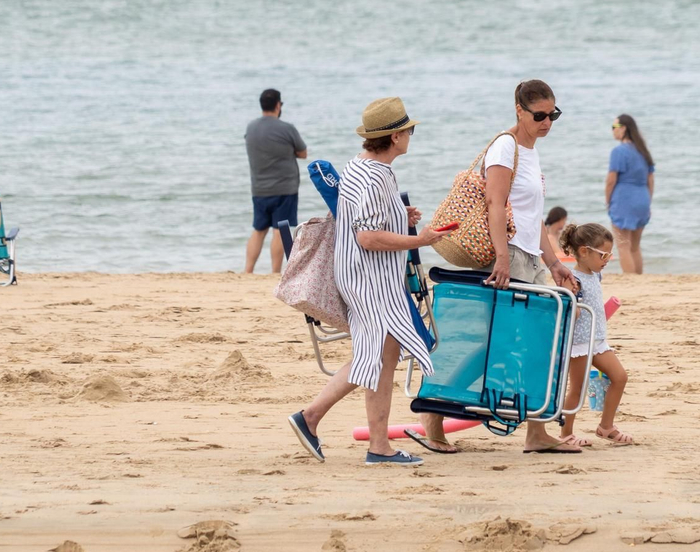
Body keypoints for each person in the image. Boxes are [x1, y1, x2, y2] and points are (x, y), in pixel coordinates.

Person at [287, 98, 451, 465]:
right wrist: (419, 239)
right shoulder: (377, 176)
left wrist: (399, 214)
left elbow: (359, 217)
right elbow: (368, 237)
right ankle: (310, 416)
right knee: (373, 356)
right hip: (370, 277)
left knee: (385, 356)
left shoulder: (360, 167)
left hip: (358, 273)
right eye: (408, 130)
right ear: (395, 136)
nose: (411, 135)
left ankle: (379, 446)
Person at [483, 79, 582, 454]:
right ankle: (433, 418)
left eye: (552, 114)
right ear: (519, 112)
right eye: (539, 115)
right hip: (508, 254)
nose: (547, 122)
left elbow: (532, 215)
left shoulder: (531, 150)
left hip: (529, 254)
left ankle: (537, 432)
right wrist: (503, 259)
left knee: (546, 335)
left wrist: (554, 261)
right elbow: (495, 205)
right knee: (495, 341)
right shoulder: (505, 147)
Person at [555, 222, 634, 449]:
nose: (607, 260)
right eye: (603, 255)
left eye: (609, 255)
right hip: (579, 343)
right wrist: (573, 301)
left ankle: (606, 426)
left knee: (619, 377)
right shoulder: (573, 279)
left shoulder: (595, 276)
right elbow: (569, 309)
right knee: (577, 388)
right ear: (584, 252)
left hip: (597, 341)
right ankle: (566, 434)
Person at [244, 88, 306, 274]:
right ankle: (275, 272)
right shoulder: (286, 128)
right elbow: (302, 153)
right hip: (284, 188)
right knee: (280, 230)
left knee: (259, 229)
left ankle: (247, 271)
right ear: (278, 105)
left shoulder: (251, 127)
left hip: (259, 188)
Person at [606, 114, 656, 275]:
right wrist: (648, 201)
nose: (612, 131)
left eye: (614, 127)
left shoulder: (619, 151)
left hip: (624, 198)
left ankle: (630, 279)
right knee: (635, 246)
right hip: (642, 198)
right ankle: (639, 279)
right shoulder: (643, 150)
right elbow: (651, 180)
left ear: (624, 128)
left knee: (623, 245)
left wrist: (608, 200)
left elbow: (611, 180)